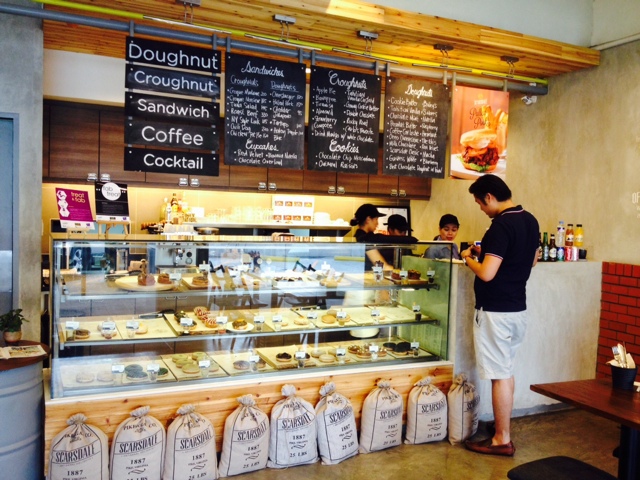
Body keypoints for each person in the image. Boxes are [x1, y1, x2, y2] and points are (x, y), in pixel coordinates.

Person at [460, 174, 539, 458]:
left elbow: (487, 273)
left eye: (480, 203)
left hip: (495, 312)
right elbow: (532, 260)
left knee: (499, 375)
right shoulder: (530, 220)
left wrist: (468, 258)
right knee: (505, 371)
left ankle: (501, 439)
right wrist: (488, 252)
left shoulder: (500, 226)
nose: (481, 209)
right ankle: (502, 427)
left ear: (489, 197)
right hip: (517, 309)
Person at [349, 204, 418, 269]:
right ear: (368, 219)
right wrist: (411, 239)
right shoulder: (365, 239)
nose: (377, 223)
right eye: (376, 219)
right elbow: (384, 266)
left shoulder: (363, 237)